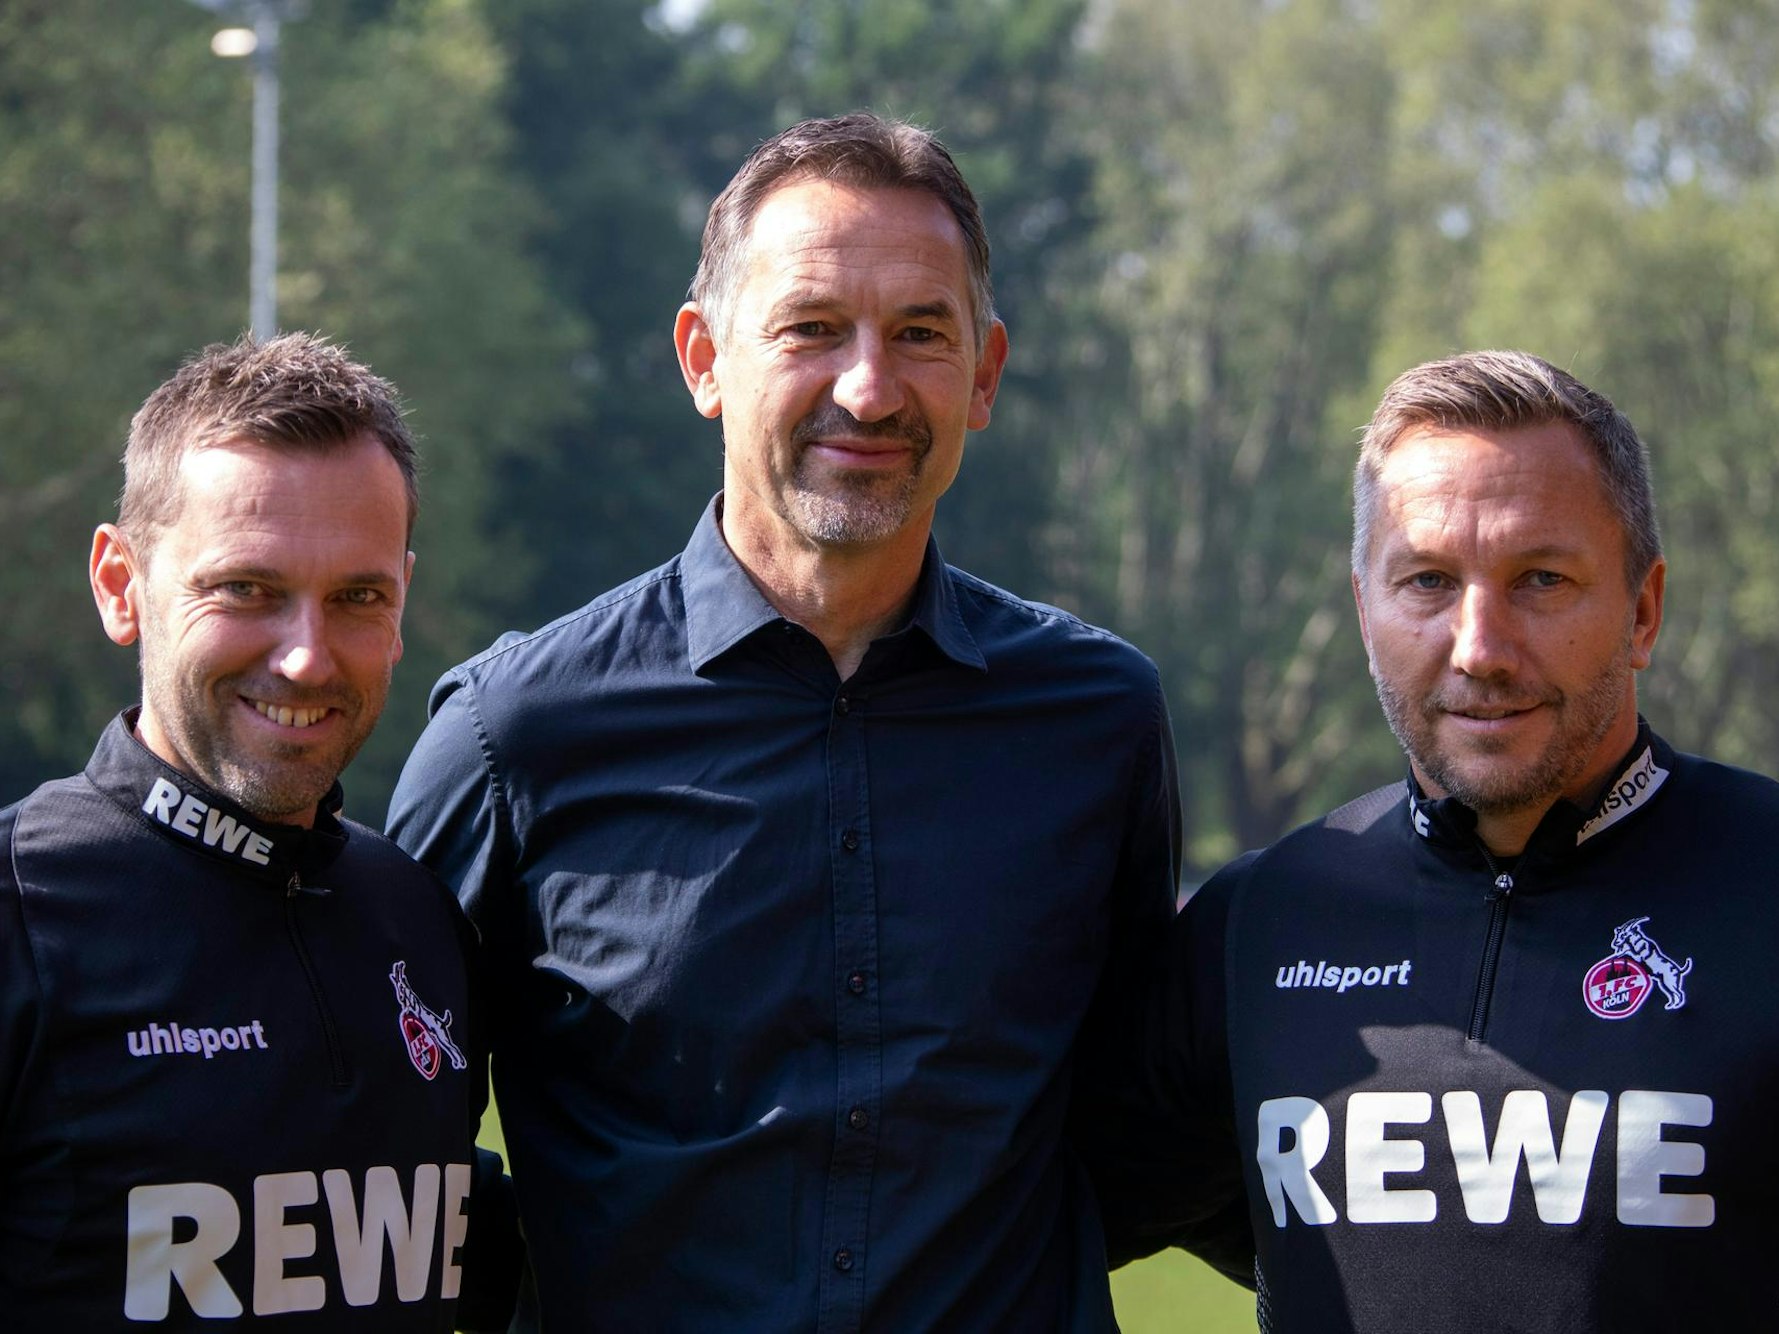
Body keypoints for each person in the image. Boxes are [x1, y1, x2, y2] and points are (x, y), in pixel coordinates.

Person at [388, 112, 1180, 1331]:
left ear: (985, 374)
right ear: (705, 359)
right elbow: (391, 1141)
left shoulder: (1098, 719)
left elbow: (1130, 1125)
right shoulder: (516, 734)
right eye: (812, 328)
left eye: (921, 333)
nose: (868, 387)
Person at [1091, 350, 1779, 1329]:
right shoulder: (1264, 922)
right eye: (1427, 580)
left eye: (1541, 578)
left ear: (1643, 610)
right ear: (1367, 611)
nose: (1480, 647)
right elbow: (1003, 1224)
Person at [0, 333, 516, 1328]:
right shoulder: (21, 911)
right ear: (121, 585)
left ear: (402, 597)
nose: (307, 657)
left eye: (357, 597)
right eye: (246, 589)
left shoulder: (419, 917)